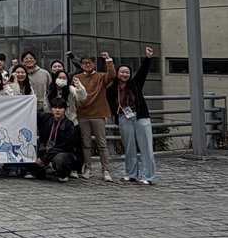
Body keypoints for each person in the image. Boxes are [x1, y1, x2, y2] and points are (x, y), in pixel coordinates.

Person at [107, 47, 156, 185]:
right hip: (123, 118)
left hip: (140, 117)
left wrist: (148, 58)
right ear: (117, 73)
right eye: (122, 72)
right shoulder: (112, 89)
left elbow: (143, 72)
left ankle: (148, 176)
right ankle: (131, 174)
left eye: (127, 72)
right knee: (129, 147)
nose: (125, 74)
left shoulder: (135, 84)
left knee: (146, 148)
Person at [75, 52, 117, 182]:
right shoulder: (77, 77)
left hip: (98, 114)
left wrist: (108, 60)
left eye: (89, 62)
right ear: (81, 65)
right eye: (84, 63)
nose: (87, 65)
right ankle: (88, 168)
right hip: (83, 114)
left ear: (94, 64)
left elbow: (112, 75)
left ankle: (106, 170)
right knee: (86, 144)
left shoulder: (101, 77)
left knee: (102, 143)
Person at [26, 98, 76, 182]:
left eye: (60, 108)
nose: (57, 110)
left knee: (59, 160)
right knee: (27, 151)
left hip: (61, 152)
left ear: (65, 109)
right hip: (45, 149)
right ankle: (41, 173)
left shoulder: (69, 125)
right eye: (55, 107)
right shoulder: (46, 118)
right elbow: (31, 112)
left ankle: (62, 174)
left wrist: (44, 158)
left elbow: (66, 146)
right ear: (51, 109)